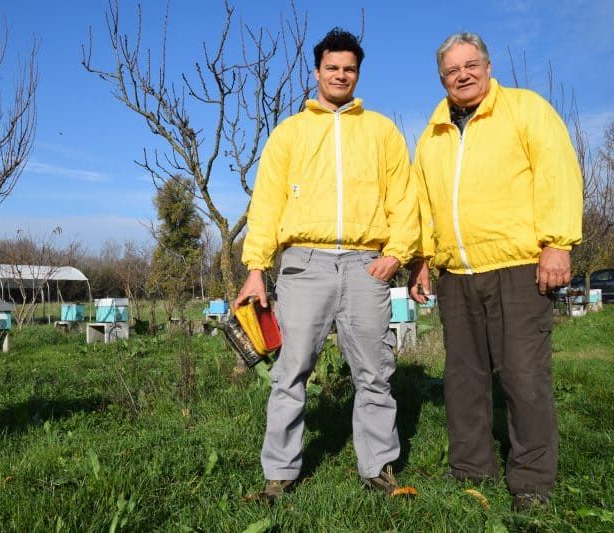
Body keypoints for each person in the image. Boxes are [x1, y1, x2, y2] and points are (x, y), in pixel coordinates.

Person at [235, 27, 419, 501]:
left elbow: (404, 198)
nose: (341, 75)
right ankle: (279, 475)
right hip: (304, 265)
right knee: (290, 372)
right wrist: (256, 266)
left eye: (349, 68)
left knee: (375, 373)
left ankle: (377, 468)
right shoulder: (289, 133)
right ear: (316, 72)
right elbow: (267, 205)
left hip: (365, 265)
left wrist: (398, 252)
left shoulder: (381, 131)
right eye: (332, 67)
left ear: (358, 75)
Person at [407, 32, 582, 511]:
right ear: (441, 78)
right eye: (451, 70)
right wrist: (424, 259)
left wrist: (556, 243)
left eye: (470, 65)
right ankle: (471, 469)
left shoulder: (526, 109)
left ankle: (531, 482)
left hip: (518, 266)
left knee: (523, 377)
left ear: (487, 65)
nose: (462, 74)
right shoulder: (432, 134)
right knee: (463, 378)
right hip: (456, 276)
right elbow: (423, 203)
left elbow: (558, 173)